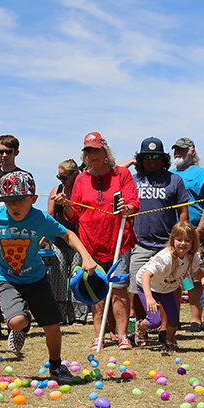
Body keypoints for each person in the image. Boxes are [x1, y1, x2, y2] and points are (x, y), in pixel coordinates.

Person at [0, 171, 98, 384]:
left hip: (36, 279)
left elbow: (68, 235)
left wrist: (86, 257)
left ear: (33, 199)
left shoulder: (40, 219)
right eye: (9, 202)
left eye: (20, 200)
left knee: (53, 326)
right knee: (17, 322)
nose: (14, 206)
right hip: (5, 278)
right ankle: (22, 326)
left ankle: (56, 366)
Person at [61, 132, 139, 350]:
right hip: (90, 243)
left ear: (105, 151)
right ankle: (99, 335)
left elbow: (134, 203)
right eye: (88, 151)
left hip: (118, 242)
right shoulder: (80, 179)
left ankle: (122, 335)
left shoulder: (121, 174)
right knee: (95, 290)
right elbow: (74, 215)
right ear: (84, 155)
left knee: (120, 289)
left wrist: (127, 208)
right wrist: (66, 205)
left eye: (96, 149)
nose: (92, 154)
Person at [129, 137, 189, 341]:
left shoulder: (175, 180)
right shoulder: (133, 180)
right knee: (137, 289)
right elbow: (114, 172)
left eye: (156, 156)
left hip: (167, 245)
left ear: (163, 158)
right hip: (140, 242)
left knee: (171, 286)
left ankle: (165, 328)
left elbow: (183, 211)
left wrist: (182, 238)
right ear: (140, 159)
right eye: (147, 157)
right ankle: (142, 328)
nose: (152, 160)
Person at [136, 221, 202, 352]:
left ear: (193, 242)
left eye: (187, 240)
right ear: (172, 240)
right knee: (155, 322)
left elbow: (197, 271)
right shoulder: (165, 258)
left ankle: (170, 341)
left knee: (174, 320)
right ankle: (140, 326)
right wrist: (149, 298)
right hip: (148, 286)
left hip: (167, 289)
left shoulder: (191, 256)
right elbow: (145, 275)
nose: (183, 243)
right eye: (179, 240)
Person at [172, 137, 204, 328]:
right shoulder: (168, 174)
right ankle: (173, 318)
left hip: (195, 233)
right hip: (171, 234)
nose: (178, 153)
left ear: (192, 152)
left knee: (195, 275)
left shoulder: (202, 174)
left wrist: (201, 229)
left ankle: (196, 318)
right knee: (172, 277)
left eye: (183, 150)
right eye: (176, 150)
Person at [47, 160, 87, 325]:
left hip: (78, 239)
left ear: (74, 175)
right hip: (58, 240)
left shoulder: (81, 191)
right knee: (58, 277)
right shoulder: (55, 190)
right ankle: (59, 316)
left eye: (64, 176)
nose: (61, 179)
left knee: (76, 276)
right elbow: (49, 216)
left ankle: (78, 315)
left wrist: (68, 204)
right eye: (59, 176)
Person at [0, 135, 25, 202]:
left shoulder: (24, 176)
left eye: (8, 152)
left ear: (16, 153)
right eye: (1, 152)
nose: (4, 155)